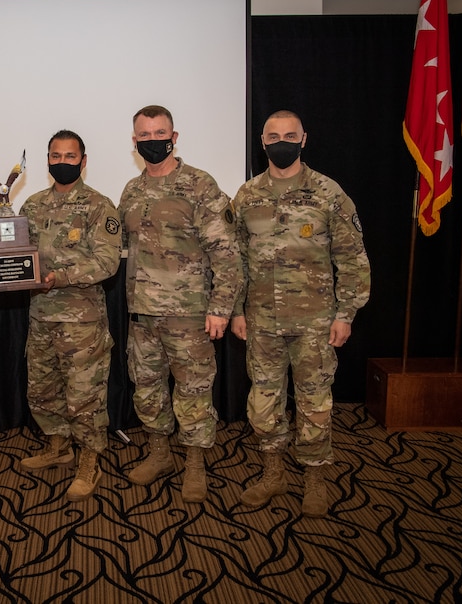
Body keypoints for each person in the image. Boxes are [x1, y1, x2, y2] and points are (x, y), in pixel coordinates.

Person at [231, 109, 371, 518]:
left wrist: (346, 314)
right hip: (261, 322)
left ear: (304, 138)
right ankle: (273, 473)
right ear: (262, 141)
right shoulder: (247, 196)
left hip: (316, 322)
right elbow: (235, 259)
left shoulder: (329, 193)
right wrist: (236, 310)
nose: (281, 142)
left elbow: (353, 258)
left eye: (289, 135)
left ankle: (314, 478)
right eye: (273, 136)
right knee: (264, 402)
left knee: (314, 403)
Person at [119, 105, 243, 503]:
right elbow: (120, 247)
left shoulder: (199, 185)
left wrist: (221, 308)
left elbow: (226, 251)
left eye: (160, 133)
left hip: (190, 315)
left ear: (174, 136)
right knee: (147, 389)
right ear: (134, 141)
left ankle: (193, 464)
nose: (153, 140)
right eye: (145, 134)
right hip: (141, 314)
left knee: (193, 393)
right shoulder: (131, 190)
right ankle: (160, 455)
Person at [18, 130, 122, 501]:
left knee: (84, 396)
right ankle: (58, 447)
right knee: (43, 390)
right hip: (41, 317)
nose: (63, 162)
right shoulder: (31, 205)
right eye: (55, 156)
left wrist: (59, 277)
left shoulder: (98, 206)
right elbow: (18, 254)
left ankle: (89, 461)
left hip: (82, 322)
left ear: (83, 160)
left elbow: (108, 263)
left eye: (70, 156)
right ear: (48, 160)